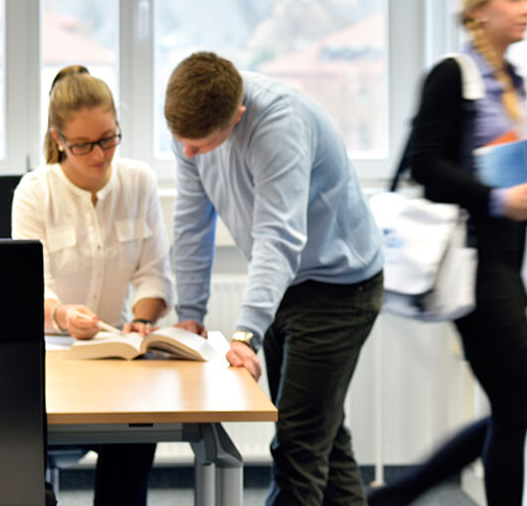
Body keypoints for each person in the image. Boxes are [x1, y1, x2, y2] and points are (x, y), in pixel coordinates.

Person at [368, 0, 527, 506]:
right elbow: (426, 165)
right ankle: (397, 496)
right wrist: (497, 199)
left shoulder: (512, 83)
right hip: (472, 264)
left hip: (503, 259)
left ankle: (393, 497)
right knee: (514, 405)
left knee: (509, 407)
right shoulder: (454, 75)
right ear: (479, 10)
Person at [164, 52, 384, 506]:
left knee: (297, 448)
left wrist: (246, 334)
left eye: (199, 144)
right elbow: (191, 224)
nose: (187, 152)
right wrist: (190, 315)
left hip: (338, 289)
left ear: (236, 116)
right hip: (290, 286)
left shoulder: (279, 126)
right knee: (324, 439)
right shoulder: (190, 126)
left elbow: (278, 237)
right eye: (179, 140)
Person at [12, 65, 175, 506]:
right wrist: (63, 316)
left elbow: (154, 272)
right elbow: (28, 289)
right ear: (59, 139)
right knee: (22, 466)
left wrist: (142, 318)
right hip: (51, 359)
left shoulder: (138, 181)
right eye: (84, 145)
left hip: (117, 355)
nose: (100, 155)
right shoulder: (34, 192)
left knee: (135, 441)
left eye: (108, 138)